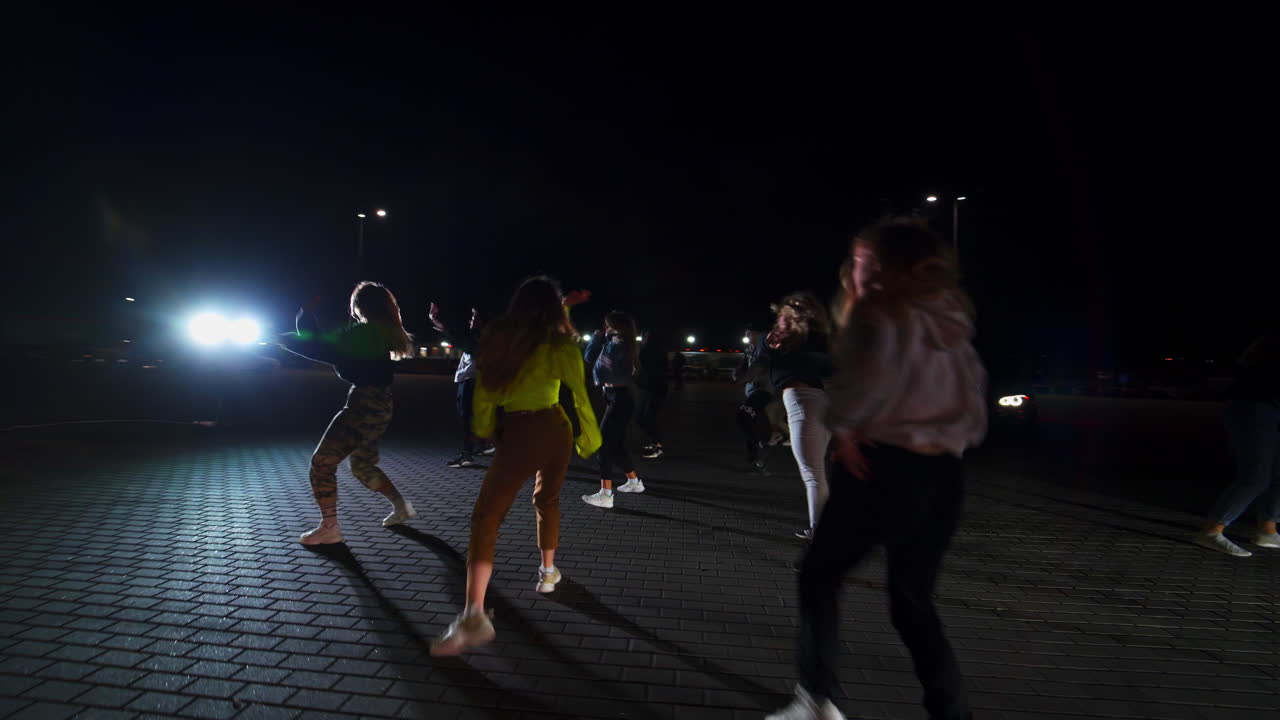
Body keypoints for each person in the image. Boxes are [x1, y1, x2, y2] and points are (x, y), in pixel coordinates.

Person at [768, 218, 986, 720]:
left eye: (862, 260)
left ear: (888, 266)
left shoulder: (878, 311)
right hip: (943, 475)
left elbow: (864, 386)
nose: (852, 271)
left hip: (883, 466)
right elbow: (973, 408)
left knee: (819, 576)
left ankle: (816, 699)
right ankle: (951, 712)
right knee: (912, 603)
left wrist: (847, 429)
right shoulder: (951, 320)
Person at [430, 278, 600, 656]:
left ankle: (474, 613)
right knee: (547, 500)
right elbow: (580, 393)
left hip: (520, 429)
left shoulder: (500, 338)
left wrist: (484, 427)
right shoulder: (559, 343)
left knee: (487, 518)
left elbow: (485, 388)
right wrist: (589, 438)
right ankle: (547, 573)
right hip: (556, 427)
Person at [279, 282, 418, 545]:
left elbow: (321, 347)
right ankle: (401, 506)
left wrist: (297, 325)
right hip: (382, 404)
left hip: (363, 406)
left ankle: (329, 527)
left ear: (359, 306)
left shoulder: (365, 333)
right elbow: (326, 345)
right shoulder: (382, 332)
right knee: (362, 465)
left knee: (322, 463)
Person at [1194, 326, 1280, 557]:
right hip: (1254, 406)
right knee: (1256, 476)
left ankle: (1267, 530)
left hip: (1269, 405)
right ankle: (1211, 531)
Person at [765, 293, 835, 540]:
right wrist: (772, 346)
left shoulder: (809, 341)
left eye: (782, 316)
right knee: (815, 472)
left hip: (805, 403)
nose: (778, 321)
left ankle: (821, 531)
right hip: (813, 402)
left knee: (812, 473)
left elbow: (825, 366)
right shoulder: (798, 342)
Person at [582, 311, 646, 508]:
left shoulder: (625, 347)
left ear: (619, 327)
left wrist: (607, 377)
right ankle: (634, 482)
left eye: (608, 324)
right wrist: (597, 337)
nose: (606, 327)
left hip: (621, 399)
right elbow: (589, 357)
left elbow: (623, 374)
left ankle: (606, 495)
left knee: (603, 446)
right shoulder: (611, 343)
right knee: (616, 444)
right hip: (612, 397)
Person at [429, 303, 493, 468]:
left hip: (471, 380)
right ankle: (485, 444)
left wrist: (436, 321)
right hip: (475, 380)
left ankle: (467, 454)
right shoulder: (485, 336)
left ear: (483, 322)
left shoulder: (480, 338)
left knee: (466, 417)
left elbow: (457, 339)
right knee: (474, 415)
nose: (471, 320)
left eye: (474, 317)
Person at [636, 330, 670, 459]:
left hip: (653, 388)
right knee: (643, 417)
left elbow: (641, 365)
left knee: (646, 417)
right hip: (651, 388)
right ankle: (654, 442)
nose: (643, 339)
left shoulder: (648, 351)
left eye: (645, 337)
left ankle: (657, 446)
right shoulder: (657, 351)